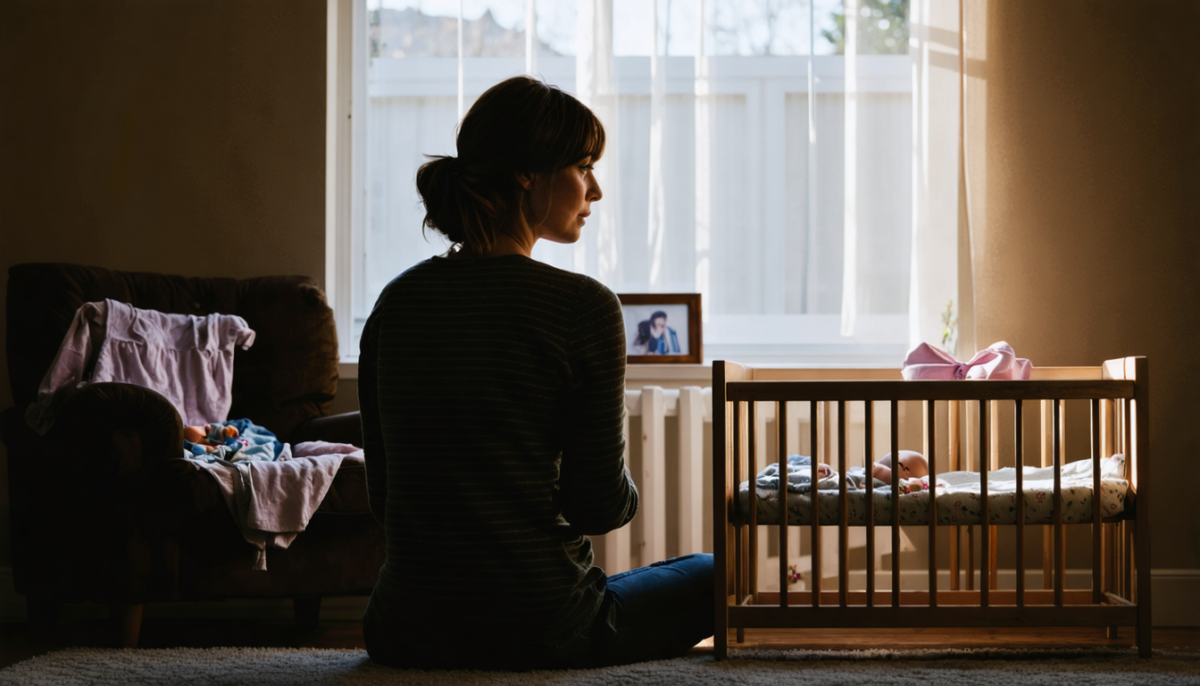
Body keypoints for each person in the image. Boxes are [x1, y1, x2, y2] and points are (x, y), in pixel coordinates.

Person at [358, 76, 713, 671]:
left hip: (401, 627)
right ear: (527, 172)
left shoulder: (396, 301)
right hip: (541, 625)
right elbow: (599, 507)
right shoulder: (583, 307)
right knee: (710, 574)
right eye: (582, 165)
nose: (594, 189)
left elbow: (384, 496)